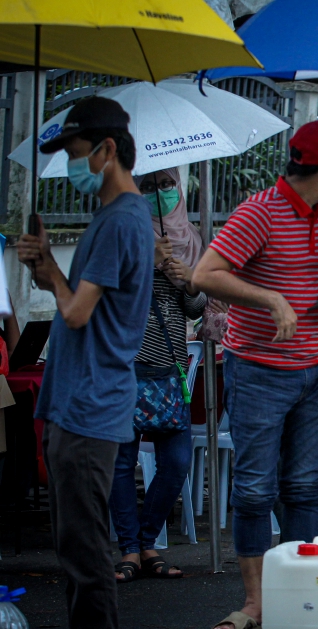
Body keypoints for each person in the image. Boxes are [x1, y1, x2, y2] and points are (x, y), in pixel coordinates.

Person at [193, 119, 318, 629]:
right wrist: (271, 299)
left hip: (315, 368)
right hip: (259, 372)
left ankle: (300, 595)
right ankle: (256, 603)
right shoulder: (259, 213)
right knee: (253, 489)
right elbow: (205, 275)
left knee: (304, 488)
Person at [15, 97, 154, 629]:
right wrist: (44, 266)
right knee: (77, 549)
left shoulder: (120, 220)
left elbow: (74, 312)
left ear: (107, 150)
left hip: (89, 406)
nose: (74, 167)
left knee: (86, 554)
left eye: (77, 153)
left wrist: (48, 265)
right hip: (82, 401)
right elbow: (80, 303)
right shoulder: (114, 217)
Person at [109, 167, 207, 584]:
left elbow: (198, 307)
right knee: (122, 464)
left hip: (170, 370)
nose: (159, 193)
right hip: (126, 367)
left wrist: (185, 281)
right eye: (148, 187)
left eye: (166, 185)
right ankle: (130, 550)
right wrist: (145, 265)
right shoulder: (121, 235)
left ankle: (150, 543)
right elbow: (104, 296)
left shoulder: (191, 241)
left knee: (177, 463)